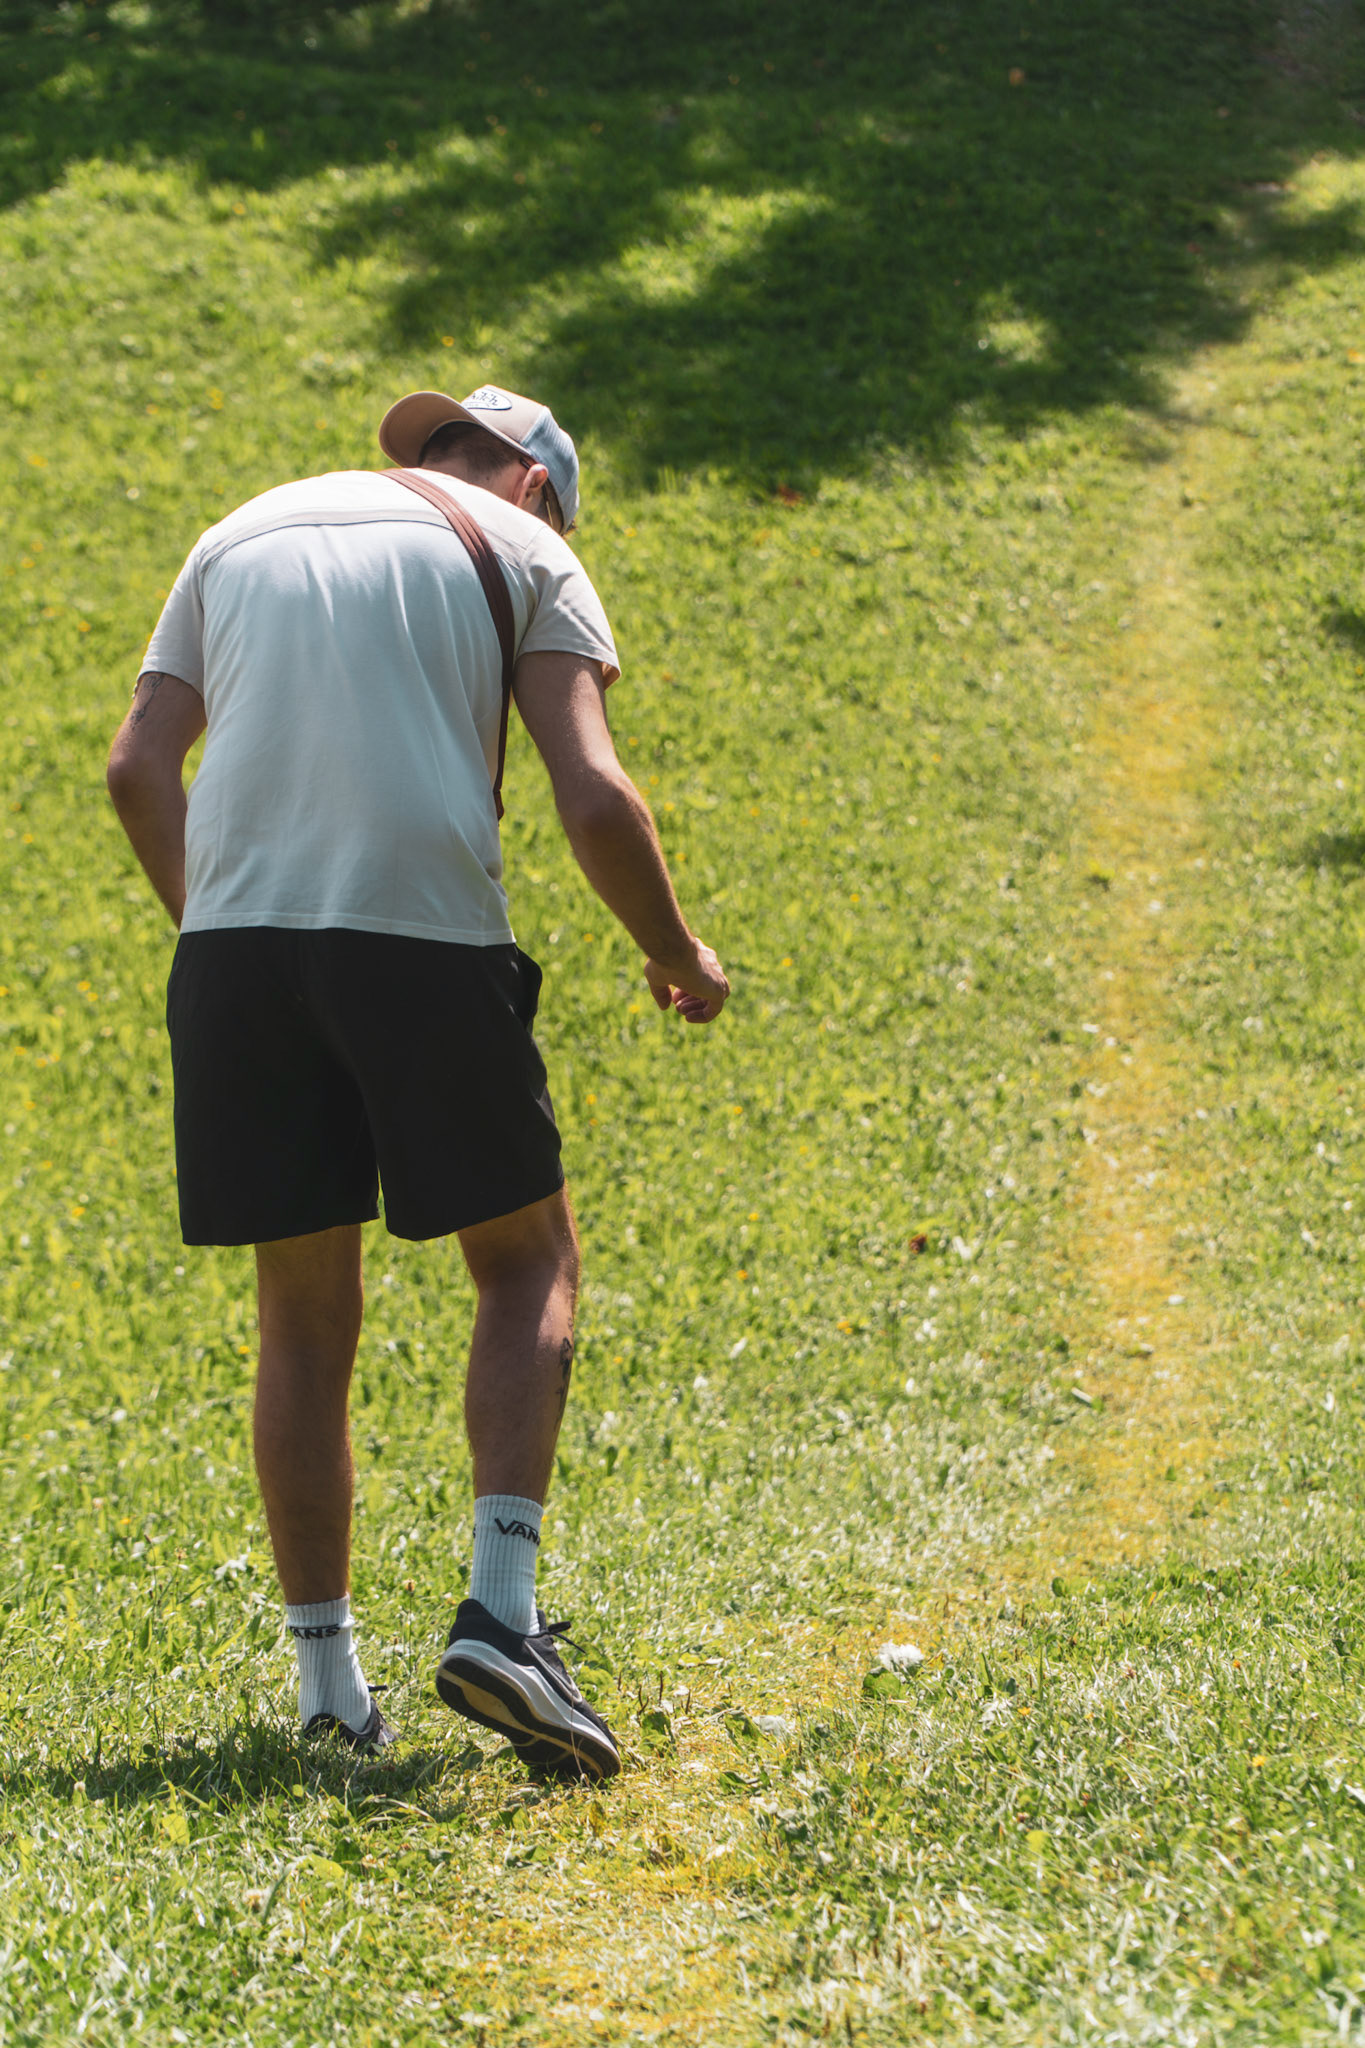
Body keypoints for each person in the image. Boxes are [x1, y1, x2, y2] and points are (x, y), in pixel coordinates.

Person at [106, 382, 729, 1778]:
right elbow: (591, 790)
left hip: (234, 958)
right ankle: (501, 1621)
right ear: (536, 486)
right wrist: (674, 949)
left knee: (302, 1311)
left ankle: (329, 1690)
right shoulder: (527, 549)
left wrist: (224, 935)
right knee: (527, 1262)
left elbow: (139, 767)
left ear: (443, 449)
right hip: (421, 940)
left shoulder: (243, 528)